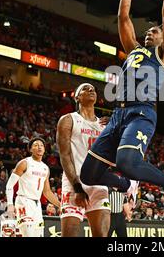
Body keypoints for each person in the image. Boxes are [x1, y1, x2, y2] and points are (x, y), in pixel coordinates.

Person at [80, 0, 164, 223]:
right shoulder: (134, 50)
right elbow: (123, 16)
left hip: (142, 113)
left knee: (127, 164)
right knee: (88, 175)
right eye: (148, 31)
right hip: (118, 115)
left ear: (162, 37)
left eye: (154, 31)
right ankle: (126, 187)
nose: (149, 32)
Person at [56, 83, 111, 237]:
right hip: (75, 182)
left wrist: (115, 127)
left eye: (93, 89)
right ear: (77, 97)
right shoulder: (68, 120)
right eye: (86, 89)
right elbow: (64, 155)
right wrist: (77, 187)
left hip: (98, 183)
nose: (91, 90)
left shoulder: (105, 125)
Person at [5, 137, 60, 237]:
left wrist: (60, 205)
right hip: (23, 201)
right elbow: (9, 185)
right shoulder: (24, 163)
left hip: (37, 205)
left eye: (41, 145)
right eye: (36, 145)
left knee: (38, 234)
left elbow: (47, 192)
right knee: (28, 233)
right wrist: (10, 204)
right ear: (30, 149)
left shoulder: (45, 168)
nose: (39, 147)